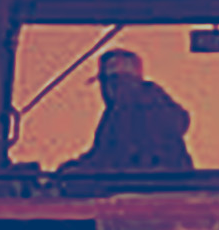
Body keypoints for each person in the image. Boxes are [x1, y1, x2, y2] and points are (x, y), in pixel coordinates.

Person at [59, 49, 193, 173]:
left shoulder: (132, 112)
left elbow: (110, 157)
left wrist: (75, 171)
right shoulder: (158, 107)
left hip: (142, 190)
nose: (106, 89)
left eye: (110, 82)